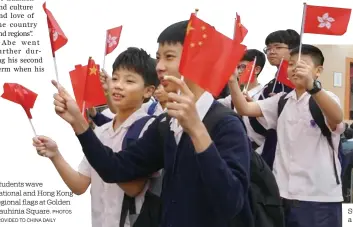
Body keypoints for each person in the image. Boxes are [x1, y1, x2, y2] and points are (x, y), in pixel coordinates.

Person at [51, 20, 252, 227]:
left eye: (169, 57)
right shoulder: (166, 124)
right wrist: (79, 124)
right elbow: (115, 169)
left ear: (197, 61)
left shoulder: (226, 124)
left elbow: (231, 202)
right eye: (158, 58)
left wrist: (197, 130)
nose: (159, 67)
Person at [33, 47, 159, 227]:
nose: (118, 85)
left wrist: (79, 124)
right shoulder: (101, 132)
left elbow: (133, 189)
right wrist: (55, 155)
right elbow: (79, 185)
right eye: (115, 78)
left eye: (129, 81)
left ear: (148, 91)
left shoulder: (150, 128)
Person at [230, 44, 344, 227]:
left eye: (302, 65)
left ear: (318, 71)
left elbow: (337, 117)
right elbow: (244, 108)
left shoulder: (326, 98)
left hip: (318, 198)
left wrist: (312, 87)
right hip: (281, 194)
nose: (295, 69)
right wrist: (233, 82)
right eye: (291, 64)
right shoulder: (282, 100)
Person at [219, 49, 266, 154]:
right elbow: (214, 105)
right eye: (237, 67)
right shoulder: (233, 97)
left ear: (257, 69)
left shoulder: (265, 96)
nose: (238, 71)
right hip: (234, 148)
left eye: (243, 67)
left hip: (257, 153)